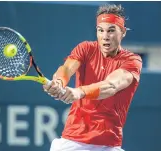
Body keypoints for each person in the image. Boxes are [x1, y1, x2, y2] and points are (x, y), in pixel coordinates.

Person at [43, 4, 142, 151]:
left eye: (111, 30)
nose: (105, 36)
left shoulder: (132, 61)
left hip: (108, 143)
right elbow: (67, 68)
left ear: (123, 32)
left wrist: (79, 92)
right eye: (100, 30)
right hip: (73, 140)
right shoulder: (86, 48)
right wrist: (59, 81)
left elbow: (111, 86)